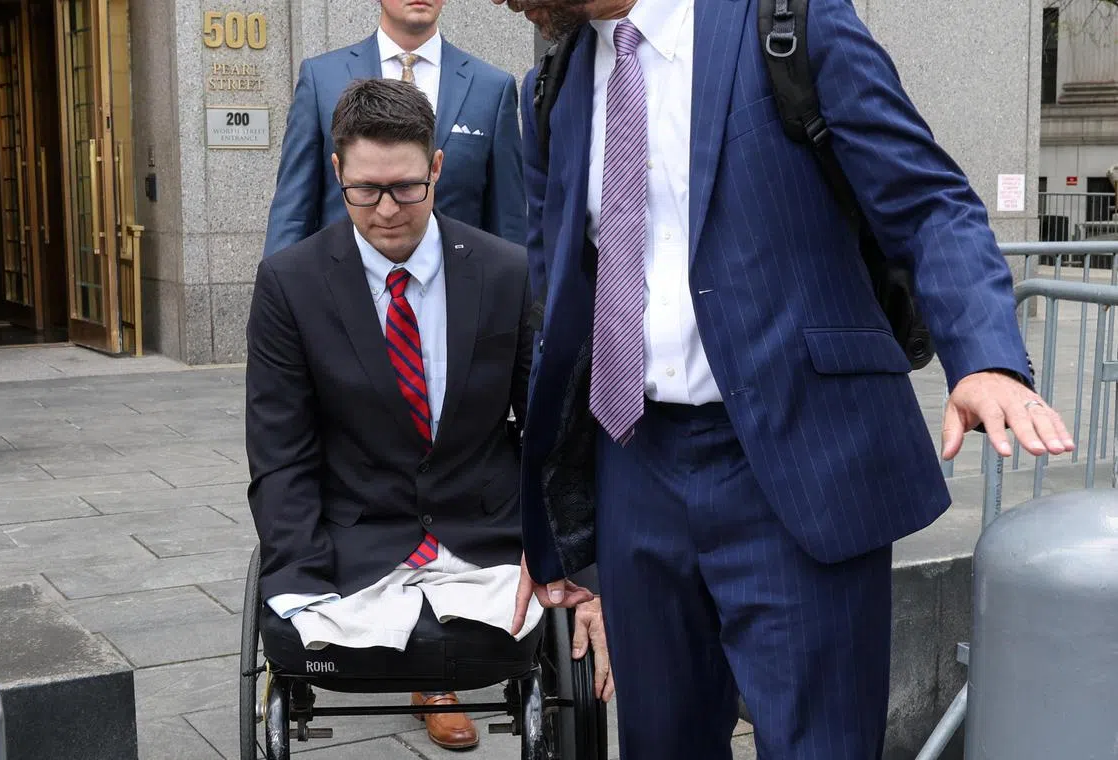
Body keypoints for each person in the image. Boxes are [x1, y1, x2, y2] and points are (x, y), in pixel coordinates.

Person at [496, 0, 1077, 758]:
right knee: (659, 742)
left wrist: (988, 357)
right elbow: (556, 310)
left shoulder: (788, 22)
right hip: (635, 467)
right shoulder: (552, 86)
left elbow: (928, 201)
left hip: (796, 462)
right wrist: (557, 518)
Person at [245, 78, 611, 752]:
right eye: (365, 189)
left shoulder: (507, 273)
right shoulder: (289, 286)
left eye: (407, 187)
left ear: (437, 167)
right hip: (353, 545)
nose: (386, 210)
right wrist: (296, 578)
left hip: (490, 539)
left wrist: (576, 565)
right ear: (337, 173)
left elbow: (551, 435)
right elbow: (281, 453)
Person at [262, 0, 525, 257]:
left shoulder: (491, 87)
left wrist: (520, 295)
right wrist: (277, 293)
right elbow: (293, 208)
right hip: (343, 282)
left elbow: (508, 216)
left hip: (458, 283)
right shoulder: (322, 78)